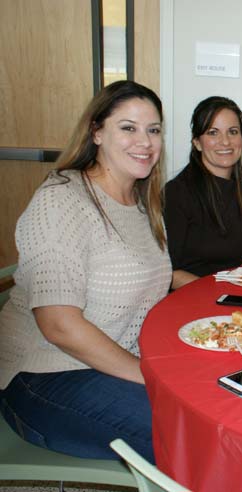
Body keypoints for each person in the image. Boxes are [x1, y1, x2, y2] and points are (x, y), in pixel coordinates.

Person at [0, 81, 171, 462]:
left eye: (153, 130)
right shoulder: (62, 199)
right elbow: (59, 325)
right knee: (188, 429)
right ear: (96, 132)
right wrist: (149, 374)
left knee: (209, 406)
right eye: (128, 128)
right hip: (43, 376)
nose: (144, 141)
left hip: (108, 366)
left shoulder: (144, 205)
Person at [164, 96, 242, 289]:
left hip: (233, 294)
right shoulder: (176, 193)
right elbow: (168, 273)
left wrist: (236, 288)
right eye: (213, 133)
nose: (225, 142)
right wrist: (215, 291)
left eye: (233, 132)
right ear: (197, 143)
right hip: (190, 297)